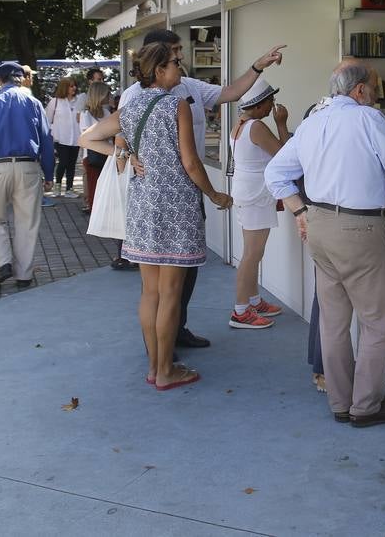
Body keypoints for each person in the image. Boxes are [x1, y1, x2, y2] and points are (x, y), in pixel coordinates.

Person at [265, 60, 385, 428]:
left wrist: (300, 211)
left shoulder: (312, 122)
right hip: (360, 230)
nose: (377, 96)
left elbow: (276, 173)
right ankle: (366, 405)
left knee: (333, 322)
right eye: (375, 89)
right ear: (359, 90)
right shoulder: (368, 119)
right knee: (377, 323)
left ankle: (340, 401)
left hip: (319, 226)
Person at [121, 29, 287, 352]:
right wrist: (129, 155)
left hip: (182, 193)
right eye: (175, 54)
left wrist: (258, 66)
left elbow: (230, 92)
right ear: (157, 60)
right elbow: (121, 139)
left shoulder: (188, 88)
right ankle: (161, 354)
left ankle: (171, 338)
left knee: (177, 278)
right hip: (166, 195)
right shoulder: (139, 96)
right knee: (162, 286)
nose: (181, 59)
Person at [120, 42, 232, 390]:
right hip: (176, 207)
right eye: (175, 64)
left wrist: (128, 159)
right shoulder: (176, 105)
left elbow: (102, 142)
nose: (179, 69)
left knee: (149, 293)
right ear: (159, 70)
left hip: (141, 206)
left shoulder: (130, 106)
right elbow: (190, 161)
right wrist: (214, 194)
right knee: (171, 293)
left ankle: (155, 367)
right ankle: (165, 370)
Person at [0, 62, 56, 289]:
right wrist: (49, 173)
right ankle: (24, 274)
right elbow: (46, 139)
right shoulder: (34, 103)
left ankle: (3, 262)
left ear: (0, 80)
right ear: (21, 78)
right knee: (27, 222)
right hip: (28, 167)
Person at [226, 78, 290, 330]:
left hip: (248, 193)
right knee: (252, 255)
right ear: (260, 104)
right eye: (270, 101)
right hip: (256, 195)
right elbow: (284, 155)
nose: (273, 105)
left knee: (253, 252)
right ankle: (241, 311)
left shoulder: (240, 125)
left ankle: (253, 300)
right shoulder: (257, 127)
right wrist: (282, 124)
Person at [79, 82, 113, 217]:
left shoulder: (106, 112)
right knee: (94, 187)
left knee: (106, 187)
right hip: (92, 156)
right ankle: (95, 215)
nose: (109, 96)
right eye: (106, 94)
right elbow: (85, 138)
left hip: (107, 154)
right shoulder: (85, 114)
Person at [46, 76, 83, 198]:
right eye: (71, 86)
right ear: (64, 87)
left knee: (72, 164)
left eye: (74, 86)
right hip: (61, 138)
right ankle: (57, 186)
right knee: (63, 162)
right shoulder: (55, 102)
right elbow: (47, 119)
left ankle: (69, 188)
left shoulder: (79, 101)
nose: (74, 88)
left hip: (76, 139)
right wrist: (51, 134)